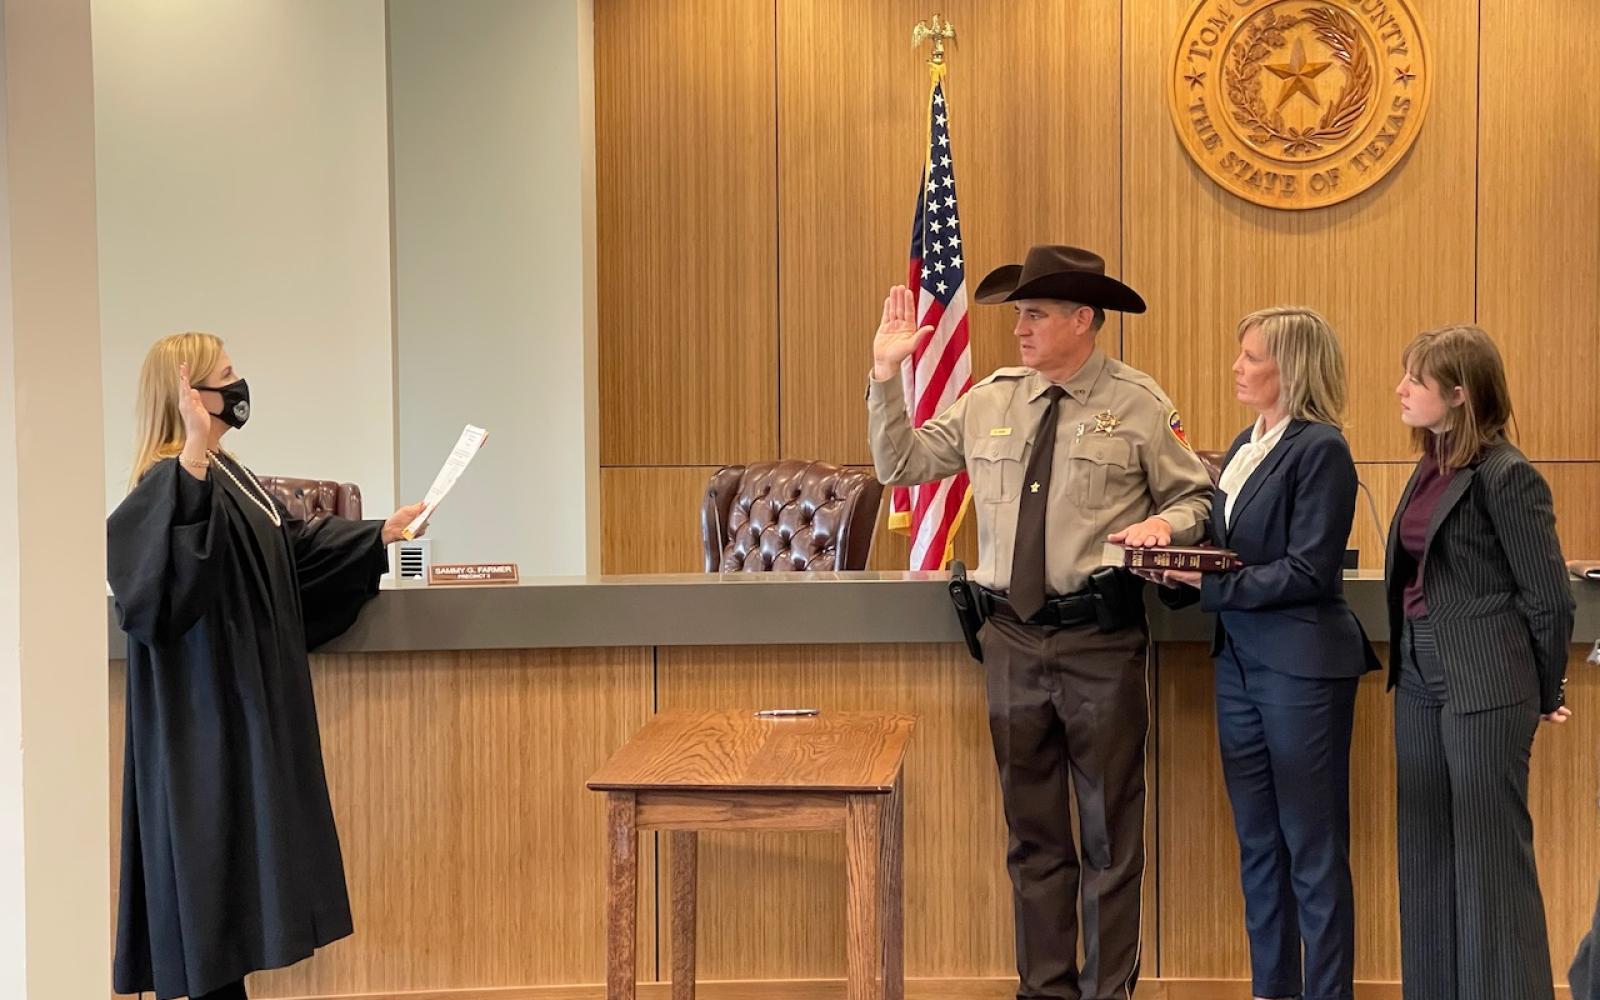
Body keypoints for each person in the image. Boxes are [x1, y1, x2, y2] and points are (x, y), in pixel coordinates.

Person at [867, 244, 1212, 999]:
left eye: (1034, 314)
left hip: (1099, 639)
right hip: (1012, 641)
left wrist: (1167, 528)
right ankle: (1044, 989)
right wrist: (886, 378)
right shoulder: (992, 398)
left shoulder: (1139, 404)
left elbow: (1198, 499)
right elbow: (902, 466)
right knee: (1033, 839)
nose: (1018, 328)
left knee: (1110, 837)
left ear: (1083, 320)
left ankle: (1107, 992)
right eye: (1017, 313)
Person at [107, 332, 426, 1000]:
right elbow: (159, 598)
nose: (239, 385)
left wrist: (380, 534)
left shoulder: (230, 474)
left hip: (240, 711)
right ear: (189, 395)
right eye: (225, 375)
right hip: (202, 723)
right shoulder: (168, 480)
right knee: (207, 891)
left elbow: (295, 553)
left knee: (232, 897)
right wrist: (193, 450)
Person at [1142, 307, 1378, 1000]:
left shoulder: (1322, 449)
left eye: (1252, 358)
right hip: (1240, 665)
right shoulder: (1248, 441)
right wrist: (1173, 573)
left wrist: (1207, 583)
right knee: (1259, 850)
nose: (1237, 368)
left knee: (1313, 850)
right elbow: (1228, 554)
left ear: (1292, 369)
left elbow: (1309, 572)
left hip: (1302, 669)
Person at [1384, 324, 1573, 1000]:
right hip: (1418, 671)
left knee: (1489, 860)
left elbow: (1549, 599)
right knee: (1427, 855)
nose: (1400, 389)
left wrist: (1546, 690)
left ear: (1459, 393)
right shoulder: (1430, 464)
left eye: (1416, 380)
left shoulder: (1508, 474)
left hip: (1487, 680)